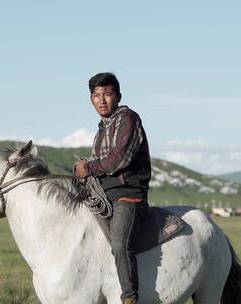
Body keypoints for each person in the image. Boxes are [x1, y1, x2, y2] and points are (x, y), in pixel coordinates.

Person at [74, 72, 151, 304]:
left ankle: (129, 297)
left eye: (108, 94)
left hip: (127, 194)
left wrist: (88, 168)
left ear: (118, 96)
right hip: (106, 195)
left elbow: (118, 160)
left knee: (119, 244)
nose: (102, 100)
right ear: (91, 99)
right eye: (97, 95)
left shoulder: (128, 119)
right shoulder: (102, 128)